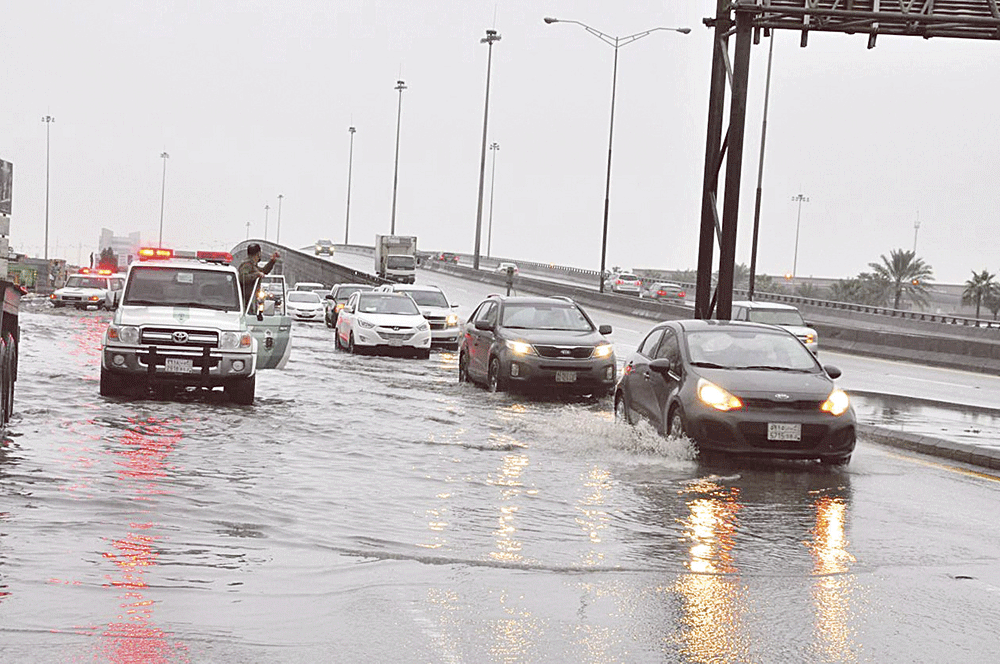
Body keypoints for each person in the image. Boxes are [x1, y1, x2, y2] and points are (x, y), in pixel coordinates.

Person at [237, 244, 280, 310]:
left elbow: (263, 271)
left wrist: (272, 261)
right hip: (246, 302)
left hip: (251, 300)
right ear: (258, 253)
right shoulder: (247, 265)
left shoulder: (253, 266)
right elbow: (243, 277)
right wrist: (256, 275)